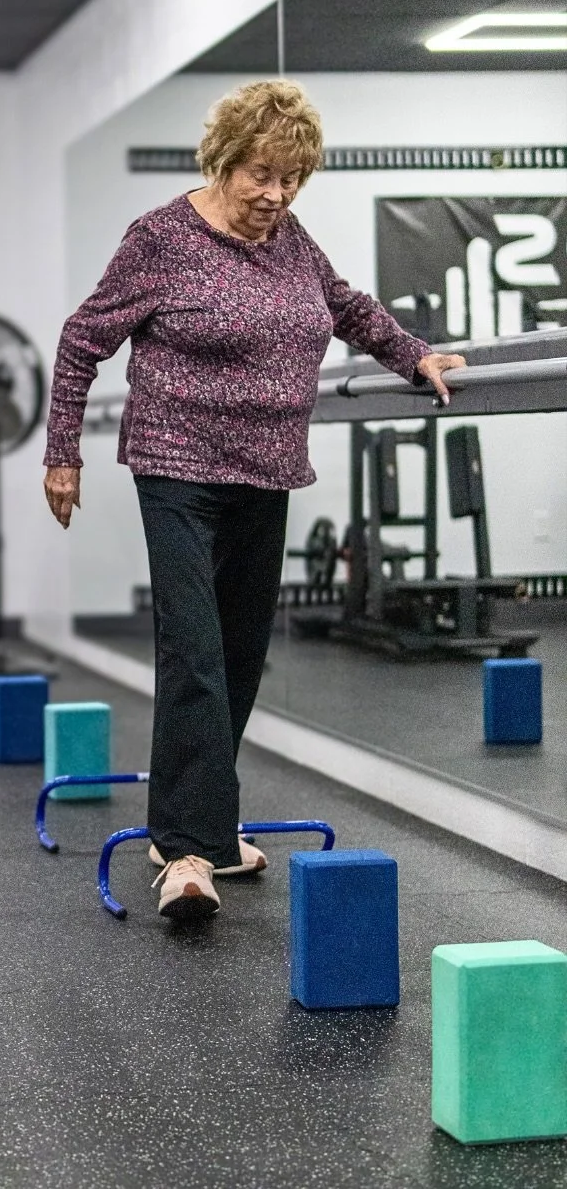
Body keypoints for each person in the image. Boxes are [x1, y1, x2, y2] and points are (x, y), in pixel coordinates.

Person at [43, 80, 465, 921]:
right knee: (194, 653)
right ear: (224, 160)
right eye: (260, 175)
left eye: (292, 180)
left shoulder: (290, 238)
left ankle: (196, 823)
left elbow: (342, 305)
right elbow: (82, 340)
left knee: (237, 657)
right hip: (177, 468)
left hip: (266, 472)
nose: (275, 195)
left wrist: (412, 354)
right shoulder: (160, 239)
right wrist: (63, 454)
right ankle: (190, 856)